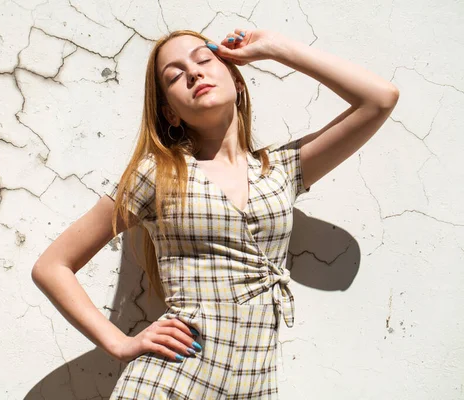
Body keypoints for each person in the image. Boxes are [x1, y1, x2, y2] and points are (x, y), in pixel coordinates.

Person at [31, 28, 399, 399]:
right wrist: (119, 343)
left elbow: (380, 99)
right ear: (170, 113)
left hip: (253, 387)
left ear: (238, 82)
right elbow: (52, 266)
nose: (193, 73)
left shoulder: (282, 170)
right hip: (170, 383)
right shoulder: (157, 173)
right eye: (174, 76)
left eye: (204, 59)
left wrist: (274, 49)